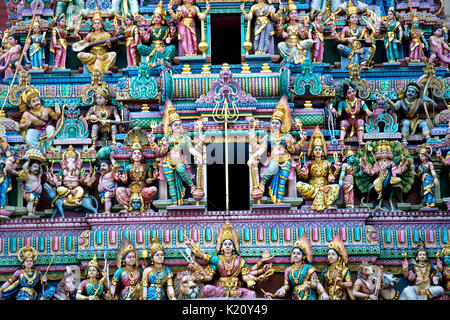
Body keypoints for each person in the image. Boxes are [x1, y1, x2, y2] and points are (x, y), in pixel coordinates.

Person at [185, 221, 272, 298]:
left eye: (230, 244)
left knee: (252, 294)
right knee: (207, 288)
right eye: (225, 244)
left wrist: (250, 281)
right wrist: (193, 246)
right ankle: (230, 294)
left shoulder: (240, 260)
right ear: (221, 247)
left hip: (238, 289)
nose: (227, 246)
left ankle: (233, 293)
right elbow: (205, 262)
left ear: (233, 247)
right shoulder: (217, 259)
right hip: (221, 290)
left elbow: (245, 276)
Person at [248, 95, 304, 204]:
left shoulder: (287, 136)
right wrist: (253, 156)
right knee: (271, 169)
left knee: (282, 182)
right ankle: (262, 185)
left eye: (277, 123)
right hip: (274, 159)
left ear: (281, 125)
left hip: (286, 159)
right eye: (272, 122)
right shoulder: (269, 137)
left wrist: (300, 141)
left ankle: (278, 202)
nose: (274, 125)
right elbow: (261, 150)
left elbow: (294, 151)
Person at [265, 233, 329, 300]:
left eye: (298, 253)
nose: (295, 255)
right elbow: (287, 285)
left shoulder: (308, 268)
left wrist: (321, 291)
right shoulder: (288, 270)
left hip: (308, 295)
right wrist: (280, 291)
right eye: (294, 253)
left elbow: (316, 283)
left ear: (303, 256)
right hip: (296, 296)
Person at [296, 126, 341, 211]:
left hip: (325, 187)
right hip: (313, 188)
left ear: (322, 151)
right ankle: (319, 192)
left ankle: (327, 201)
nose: (317, 151)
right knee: (299, 184)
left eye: (319, 150)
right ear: (312, 151)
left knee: (336, 187)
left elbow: (331, 178)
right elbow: (304, 178)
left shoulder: (327, 163)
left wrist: (337, 170)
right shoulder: (309, 163)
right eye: (315, 149)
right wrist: (300, 171)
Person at [77, 8, 117, 74]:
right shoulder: (90, 35)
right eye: (95, 23)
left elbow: (109, 48)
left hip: (103, 55)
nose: (97, 25)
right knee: (80, 55)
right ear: (92, 25)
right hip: (93, 55)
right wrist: (82, 42)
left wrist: (109, 44)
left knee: (113, 54)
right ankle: (96, 58)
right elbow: (85, 46)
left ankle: (105, 69)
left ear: (102, 25)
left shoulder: (106, 35)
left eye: (99, 23)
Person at [321, 234, 354, 300]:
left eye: (333, 254)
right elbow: (321, 286)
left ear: (338, 257)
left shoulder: (344, 270)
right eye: (329, 254)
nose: (330, 256)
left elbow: (350, 283)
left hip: (340, 296)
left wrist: (341, 283)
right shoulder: (325, 271)